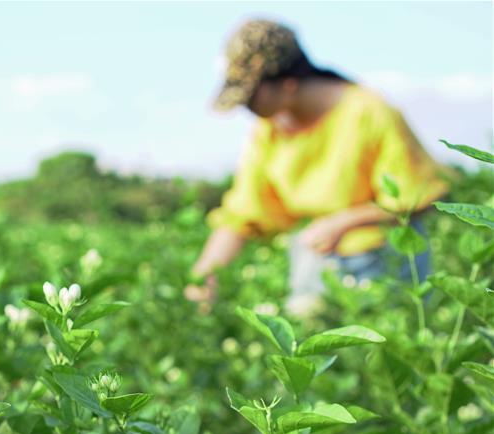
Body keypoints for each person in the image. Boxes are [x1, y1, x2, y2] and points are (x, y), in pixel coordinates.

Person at [186, 19, 450, 315]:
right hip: (317, 257)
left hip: (386, 257)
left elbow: (422, 196)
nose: (246, 108)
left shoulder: (367, 112)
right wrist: (205, 275)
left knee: (387, 345)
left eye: (250, 97)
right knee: (309, 340)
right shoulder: (269, 131)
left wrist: (345, 221)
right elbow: (244, 214)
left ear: (288, 84)